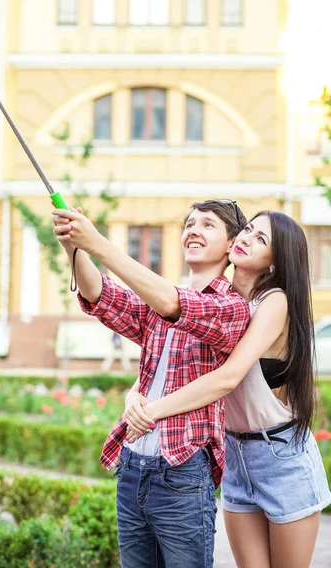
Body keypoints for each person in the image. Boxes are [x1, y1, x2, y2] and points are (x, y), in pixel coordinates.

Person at [124, 211, 331, 568]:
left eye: (261, 239)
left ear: (274, 262)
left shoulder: (274, 301)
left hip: (281, 458)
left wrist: (152, 412)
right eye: (249, 229)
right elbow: (168, 360)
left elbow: (227, 378)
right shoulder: (215, 301)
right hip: (236, 456)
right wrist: (135, 395)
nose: (247, 238)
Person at [52, 200, 251, 568]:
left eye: (208, 225)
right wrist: (73, 245)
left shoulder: (233, 308)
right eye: (189, 223)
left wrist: (97, 242)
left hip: (183, 471)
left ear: (232, 244)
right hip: (133, 465)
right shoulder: (160, 300)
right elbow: (102, 296)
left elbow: (175, 304)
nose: (193, 230)